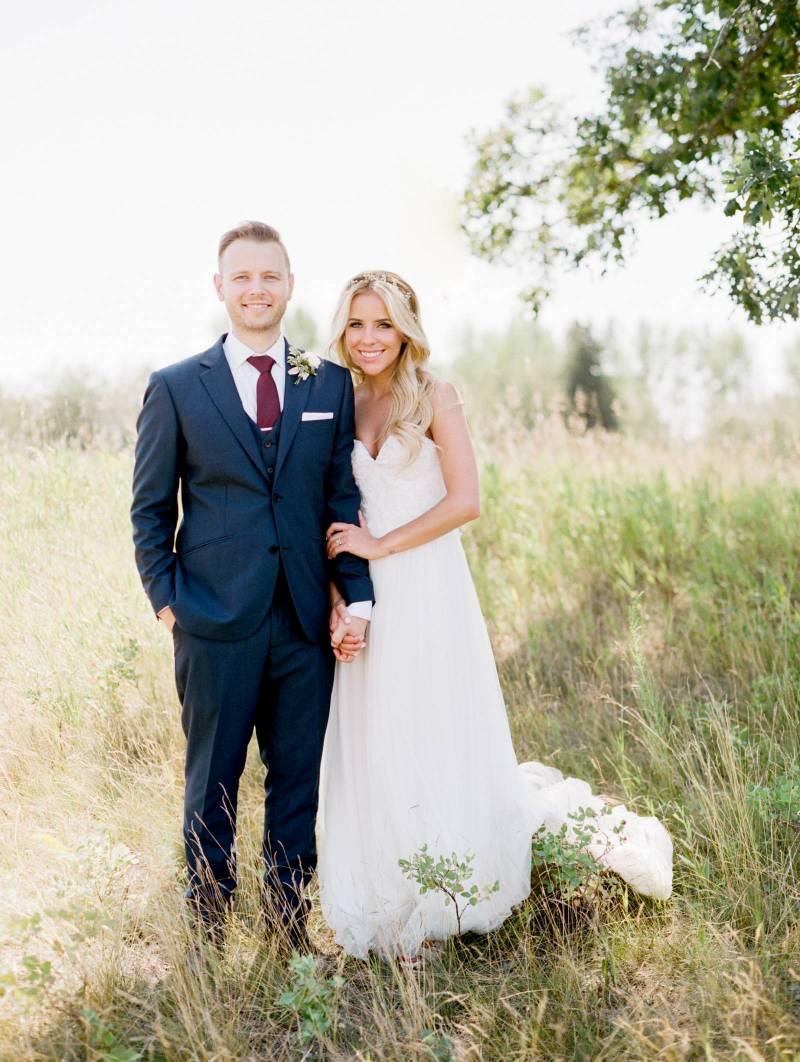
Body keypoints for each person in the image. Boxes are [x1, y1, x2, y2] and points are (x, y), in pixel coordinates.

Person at [318, 271, 673, 960]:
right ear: (342, 329)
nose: (369, 338)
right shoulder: (338, 401)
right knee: (376, 728)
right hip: (366, 596)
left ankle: (446, 886)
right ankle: (386, 886)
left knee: (430, 722)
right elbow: (332, 513)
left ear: (406, 330)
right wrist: (342, 597)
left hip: (426, 583)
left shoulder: (435, 395)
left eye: (383, 324)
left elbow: (465, 501)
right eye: (358, 324)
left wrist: (382, 545)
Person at [130, 222, 373, 948]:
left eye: (270, 276)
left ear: (290, 285)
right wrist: (169, 602)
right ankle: (208, 928)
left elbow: (339, 500)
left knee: (296, 782)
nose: (257, 289)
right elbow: (150, 509)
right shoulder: (176, 387)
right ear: (220, 287)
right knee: (213, 783)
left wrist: (353, 594)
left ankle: (288, 930)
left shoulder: (328, 383)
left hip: (303, 622)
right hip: (212, 620)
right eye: (242, 277)